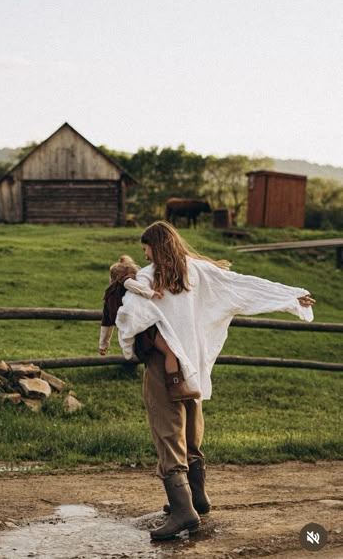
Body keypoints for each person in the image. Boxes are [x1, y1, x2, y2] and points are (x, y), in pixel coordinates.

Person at [115, 221, 315, 540]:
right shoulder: (198, 271)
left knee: (167, 432)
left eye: (146, 250)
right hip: (191, 363)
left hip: (162, 365)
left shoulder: (149, 277)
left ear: (155, 246)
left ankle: (182, 511)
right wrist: (292, 296)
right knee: (191, 427)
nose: (146, 256)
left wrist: (126, 315)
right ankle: (197, 496)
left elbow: (130, 317)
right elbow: (242, 285)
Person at [99, 255, 201, 400]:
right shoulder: (126, 282)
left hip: (137, 336)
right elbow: (132, 285)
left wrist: (103, 344)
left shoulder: (109, 297)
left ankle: (128, 350)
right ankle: (176, 387)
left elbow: (106, 324)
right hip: (147, 330)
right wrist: (151, 293)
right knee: (170, 351)